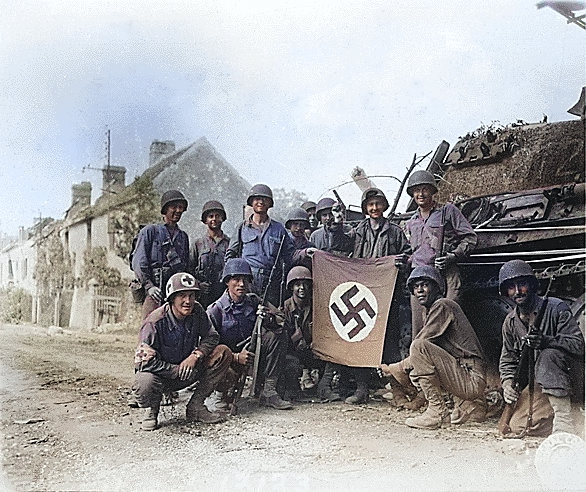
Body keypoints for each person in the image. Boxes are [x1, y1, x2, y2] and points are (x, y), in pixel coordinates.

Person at [380, 266, 487, 429]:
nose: (420, 291)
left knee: (418, 347)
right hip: (466, 374)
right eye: (416, 287)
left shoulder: (443, 305)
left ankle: (437, 412)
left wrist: (394, 368)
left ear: (437, 287)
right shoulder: (432, 310)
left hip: (471, 377)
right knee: (418, 365)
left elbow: (421, 347)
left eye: (424, 285)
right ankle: (465, 405)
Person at [132, 272, 232, 431]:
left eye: (192, 295)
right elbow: (142, 362)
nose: (188, 301)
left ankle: (196, 406)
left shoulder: (197, 311)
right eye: (182, 296)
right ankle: (151, 410)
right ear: (172, 298)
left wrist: (196, 355)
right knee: (144, 382)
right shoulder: (154, 322)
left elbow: (212, 336)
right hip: (162, 376)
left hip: (189, 369)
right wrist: (174, 370)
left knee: (223, 352)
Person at [498, 259, 584, 435]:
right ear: (506, 292)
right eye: (511, 287)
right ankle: (576, 419)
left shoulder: (556, 308)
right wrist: (507, 384)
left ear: (532, 285)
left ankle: (564, 424)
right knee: (519, 426)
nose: (518, 291)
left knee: (548, 355)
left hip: (571, 379)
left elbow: (579, 346)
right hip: (540, 384)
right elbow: (507, 361)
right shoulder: (510, 322)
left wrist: (547, 341)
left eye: (522, 284)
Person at [207, 258, 293, 410]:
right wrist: (234, 356)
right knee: (224, 375)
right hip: (228, 361)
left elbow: (281, 320)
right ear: (227, 281)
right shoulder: (216, 310)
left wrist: (268, 319)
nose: (241, 284)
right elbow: (207, 347)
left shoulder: (254, 301)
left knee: (277, 335)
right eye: (236, 280)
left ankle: (268, 391)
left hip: (254, 354)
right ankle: (219, 395)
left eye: (245, 280)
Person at [404, 170, 477, 336]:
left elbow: (470, 238)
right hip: (420, 278)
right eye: (416, 190)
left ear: (432, 191)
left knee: (449, 319)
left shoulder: (448, 211)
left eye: (425, 189)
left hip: (446, 273)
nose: (420, 194)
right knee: (420, 327)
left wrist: (453, 256)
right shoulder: (411, 221)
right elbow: (414, 252)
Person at [225, 184, 294, 308]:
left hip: (272, 282)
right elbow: (230, 255)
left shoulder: (279, 229)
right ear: (251, 202)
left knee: (271, 317)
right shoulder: (242, 228)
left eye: (264, 199)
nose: (261, 202)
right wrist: (236, 278)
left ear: (270, 203)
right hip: (247, 281)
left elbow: (289, 256)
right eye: (257, 199)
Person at [132, 190, 190, 320]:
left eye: (181, 207)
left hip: (175, 293)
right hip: (155, 291)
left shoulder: (183, 237)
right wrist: (149, 286)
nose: (178, 210)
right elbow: (139, 262)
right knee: (150, 327)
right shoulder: (150, 231)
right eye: (174, 207)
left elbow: (185, 267)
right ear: (165, 209)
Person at [281, 266, 323, 398]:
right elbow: (284, 338)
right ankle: (295, 384)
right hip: (294, 351)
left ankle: (321, 385)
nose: (302, 288)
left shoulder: (315, 305)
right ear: (291, 287)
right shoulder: (285, 307)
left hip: (313, 349)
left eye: (305, 284)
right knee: (289, 362)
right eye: (297, 285)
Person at [190, 200, 230, 308]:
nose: (214, 219)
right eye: (210, 216)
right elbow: (189, 270)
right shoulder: (198, 244)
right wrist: (198, 285)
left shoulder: (230, 243)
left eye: (218, 216)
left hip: (223, 294)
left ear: (222, 218)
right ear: (205, 220)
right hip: (203, 295)